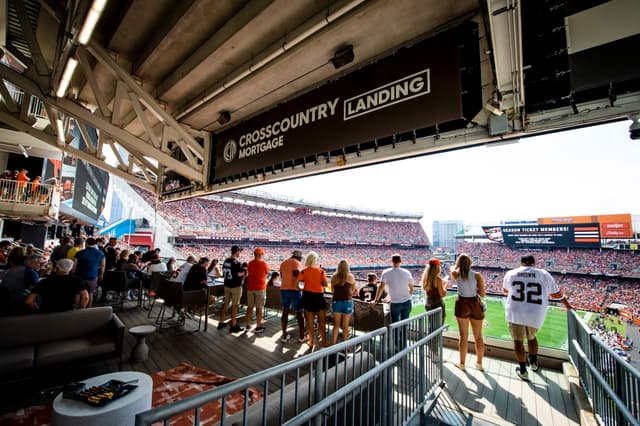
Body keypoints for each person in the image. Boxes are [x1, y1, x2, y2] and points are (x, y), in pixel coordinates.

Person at [503, 254, 574, 381]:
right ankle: (534, 363)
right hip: (535, 312)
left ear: (521, 262)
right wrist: (568, 305)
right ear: (533, 263)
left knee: (518, 342)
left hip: (515, 311)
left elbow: (505, 291)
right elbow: (557, 294)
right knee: (532, 337)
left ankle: (523, 370)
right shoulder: (543, 274)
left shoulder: (511, 273)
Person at [450, 254, 485, 372]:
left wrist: (457, 266)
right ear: (470, 263)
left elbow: (453, 269)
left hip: (462, 304)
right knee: (478, 336)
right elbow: (483, 294)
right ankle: (479, 364)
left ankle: (462, 364)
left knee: (463, 336)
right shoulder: (477, 275)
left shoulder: (455, 274)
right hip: (475, 304)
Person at [372, 254, 414, 350]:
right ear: (400, 261)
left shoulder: (386, 272)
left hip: (395, 303)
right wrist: (407, 296)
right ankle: (403, 346)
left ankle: (397, 346)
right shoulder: (407, 272)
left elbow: (381, 287)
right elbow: (411, 288)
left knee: (394, 325)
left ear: (392, 261)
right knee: (404, 325)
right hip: (407, 302)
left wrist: (376, 300)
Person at [296, 251, 329, 349]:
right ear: (315, 260)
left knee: (309, 321)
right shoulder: (321, 271)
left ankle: (311, 342)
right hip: (318, 296)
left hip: (307, 296)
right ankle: (324, 342)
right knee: (321, 321)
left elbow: (296, 283)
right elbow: (326, 284)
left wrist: (301, 289)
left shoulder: (304, 271)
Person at [279, 250, 306, 343]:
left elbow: (282, 276)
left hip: (283, 289)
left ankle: (284, 335)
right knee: (299, 313)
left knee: (285, 311)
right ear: (298, 257)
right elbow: (297, 274)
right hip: (294, 290)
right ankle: (302, 336)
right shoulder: (297, 263)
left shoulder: (283, 263)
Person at [330, 259, 357, 345]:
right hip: (347, 302)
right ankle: (345, 346)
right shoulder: (351, 277)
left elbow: (332, 290)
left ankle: (333, 344)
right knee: (345, 326)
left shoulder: (334, 277)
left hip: (336, 302)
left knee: (336, 325)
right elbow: (353, 291)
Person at [219, 245, 245, 333]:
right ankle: (233, 325)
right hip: (235, 287)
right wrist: (245, 272)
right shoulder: (237, 262)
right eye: (239, 251)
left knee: (225, 303)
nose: (240, 253)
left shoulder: (226, 260)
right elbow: (239, 274)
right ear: (237, 251)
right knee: (235, 305)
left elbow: (224, 272)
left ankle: (221, 322)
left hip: (227, 285)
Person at [73, 237, 105, 307]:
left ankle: (76, 309)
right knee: (90, 293)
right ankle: (88, 310)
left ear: (86, 244)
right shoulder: (100, 253)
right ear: (95, 244)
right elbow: (102, 265)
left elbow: (74, 265)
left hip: (80, 276)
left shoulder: (79, 253)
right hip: (93, 276)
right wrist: (101, 274)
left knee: (78, 293)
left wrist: (73, 274)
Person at [245, 248, 270, 333]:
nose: (262, 256)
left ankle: (247, 325)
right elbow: (267, 272)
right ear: (259, 255)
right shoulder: (263, 264)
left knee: (250, 307)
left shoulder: (250, 263)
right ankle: (258, 326)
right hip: (260, 288)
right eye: (262, 254)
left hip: (250, 288)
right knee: (259, 308)